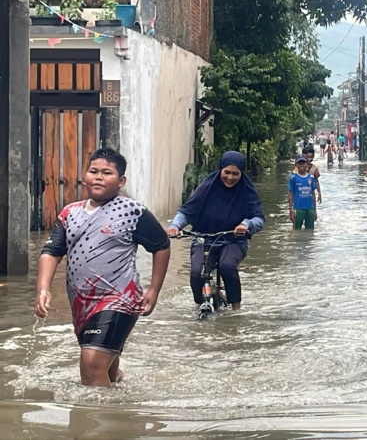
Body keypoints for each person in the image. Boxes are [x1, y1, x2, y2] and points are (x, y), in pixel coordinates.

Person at [33, 148, 171, 388]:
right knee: (107, 369)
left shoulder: (132, 212)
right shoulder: (69, 213)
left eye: (106, 173)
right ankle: (121, 402)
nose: (98, 177)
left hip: (120, 300)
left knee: (91, 366)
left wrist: (154, 290)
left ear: (121, 181)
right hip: (82, 303)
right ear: (84, 176)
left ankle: (102, 424)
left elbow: (161, 245)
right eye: (93, 171)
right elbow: (52, 252)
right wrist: (43, 289)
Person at [167, 151, 265, 311]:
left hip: (234, 240)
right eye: (227, 172)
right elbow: (186, 212)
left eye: (235, 174)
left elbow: (259, 219)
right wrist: (175, 226)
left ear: (241, 174)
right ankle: (200, 304)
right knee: (196, 273)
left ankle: (236, 310)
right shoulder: (206, 187)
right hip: (203, 239)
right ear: (220, 170)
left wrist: (246, 224)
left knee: (227, 267)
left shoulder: (247, 191)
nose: (230, 177)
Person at [289, 155, 318, 230]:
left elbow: (313, 194)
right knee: (296, 230)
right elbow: (291, 195)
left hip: (309, 209)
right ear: (296, 165)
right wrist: (291, 210)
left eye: (303, 163)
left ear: (307, 164)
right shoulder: (293, 178)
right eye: (299, 163)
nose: (301, 166)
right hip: (298, 209)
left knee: (310, 231)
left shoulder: (311, 178)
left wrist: (314, 210)